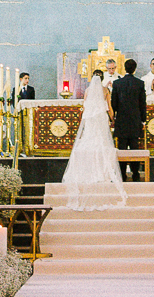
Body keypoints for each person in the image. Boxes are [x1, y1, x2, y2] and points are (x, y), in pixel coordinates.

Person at [60, 70, 127, 208]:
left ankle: (88, 171)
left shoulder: (88, 90)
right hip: (101, 118)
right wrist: (112, 117)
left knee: (89, 140)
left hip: (90, 118)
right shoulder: (105, 90)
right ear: (102, 79)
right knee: (101, 141)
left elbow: (85, 106)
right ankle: (101, 172)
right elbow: (109, 107)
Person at [111, 58, 147, 181]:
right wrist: (143, 120)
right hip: (135, 120)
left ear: (124, 68)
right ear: (134, 69)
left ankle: (122, 174)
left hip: (121, 120)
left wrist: (115, 115)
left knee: (121, 148)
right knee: (134, 148)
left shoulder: (117, 83)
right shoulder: (139, 83)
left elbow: (113, 103)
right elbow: (143, 103)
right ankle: (135, 173)